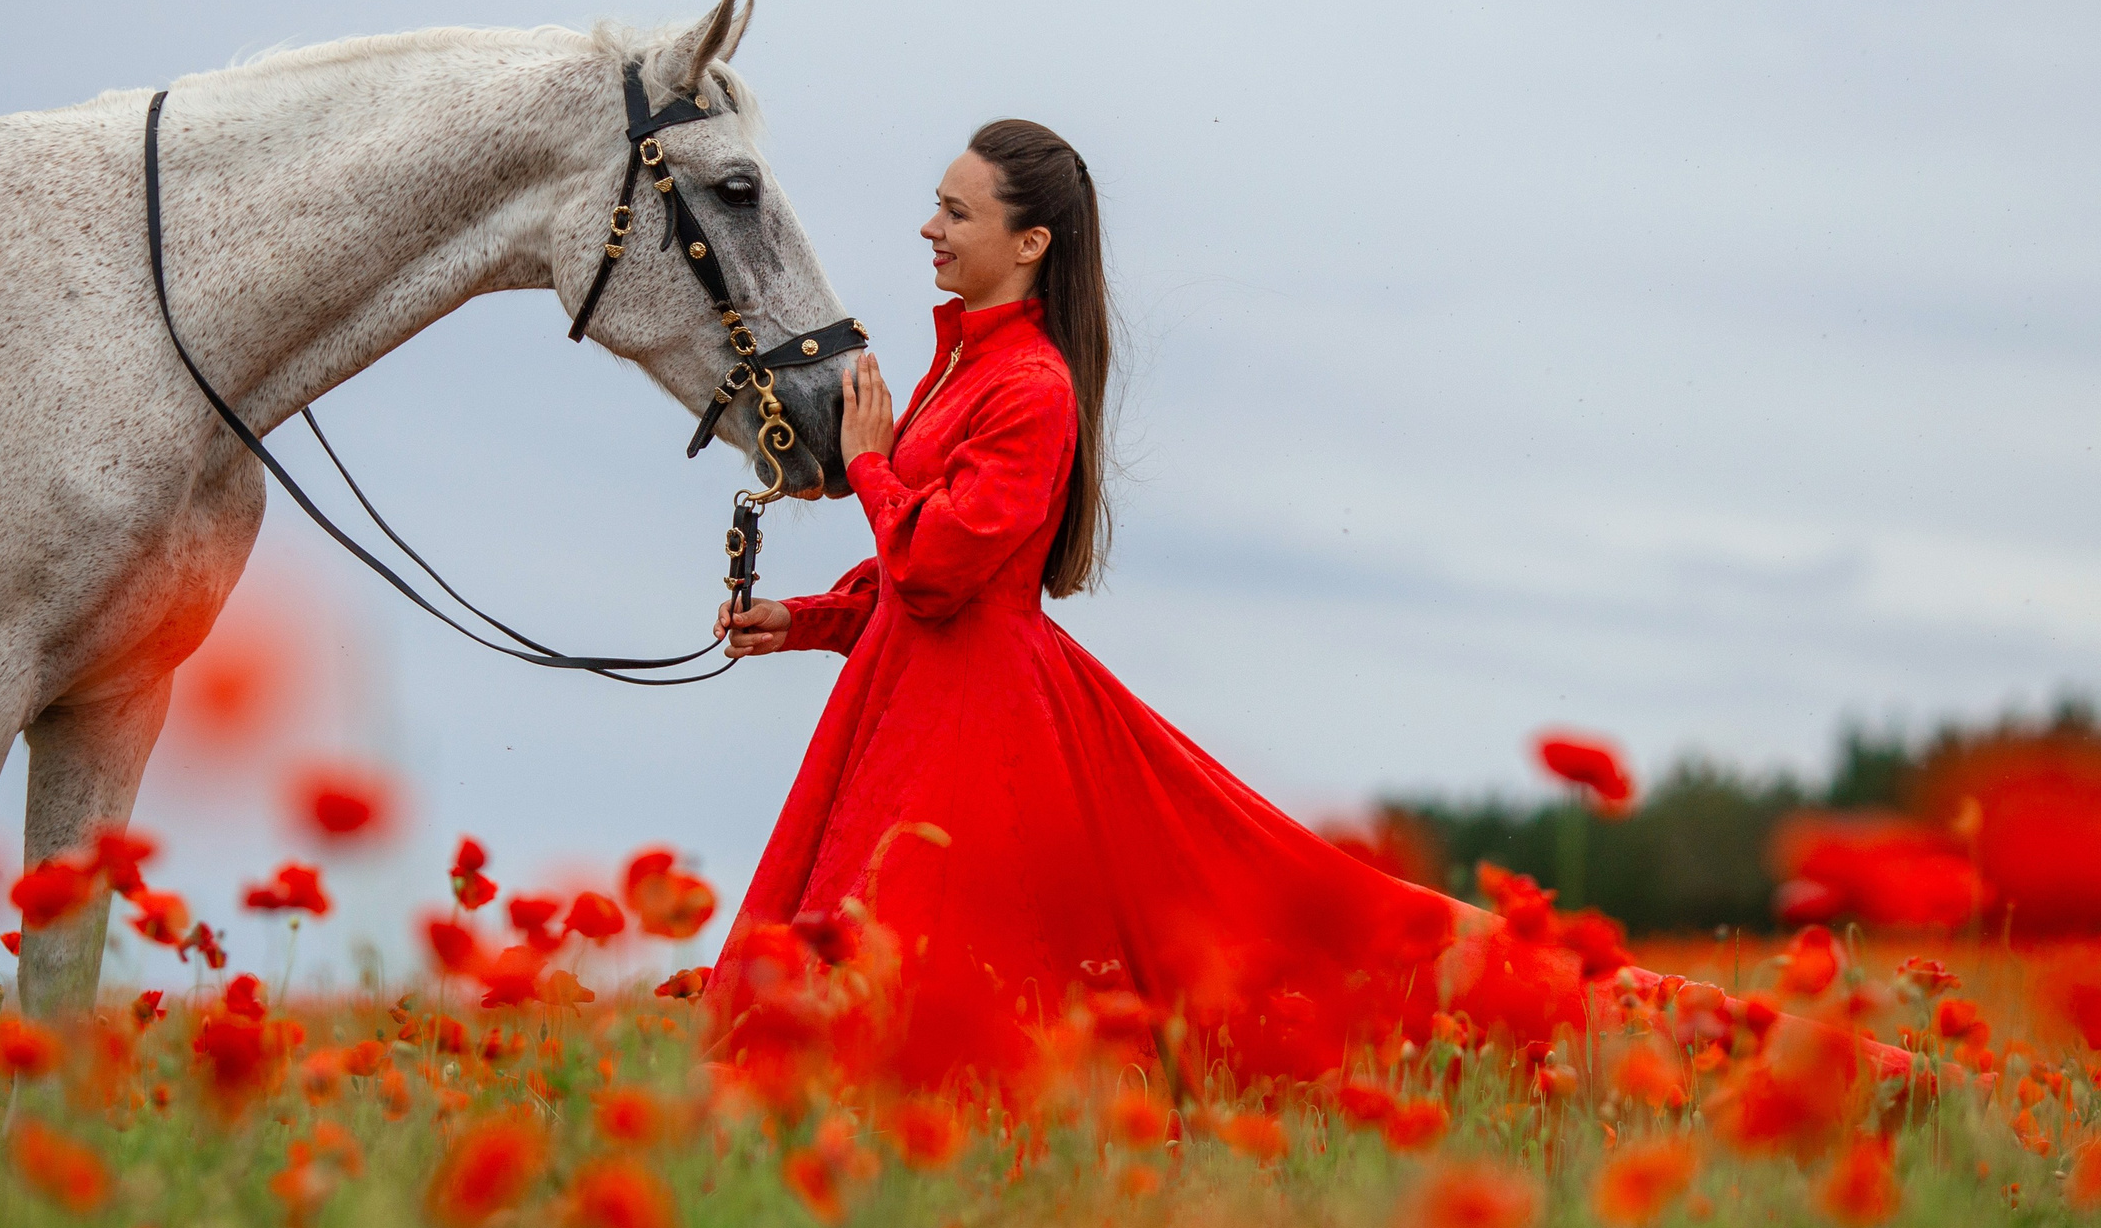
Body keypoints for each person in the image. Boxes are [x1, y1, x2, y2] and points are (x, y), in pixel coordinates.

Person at [703, 119, 1908, 1098]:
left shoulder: (1032, 387)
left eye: (955, 212)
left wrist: (870, 464)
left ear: (1029, 243)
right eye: (936, 206)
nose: (928, 227)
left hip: (979, 736)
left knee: (952, 991)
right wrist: (803, 620)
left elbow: (936, 567)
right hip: (924, 704)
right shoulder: (964, 367)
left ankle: (1763, 1062)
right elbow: (918, 584)